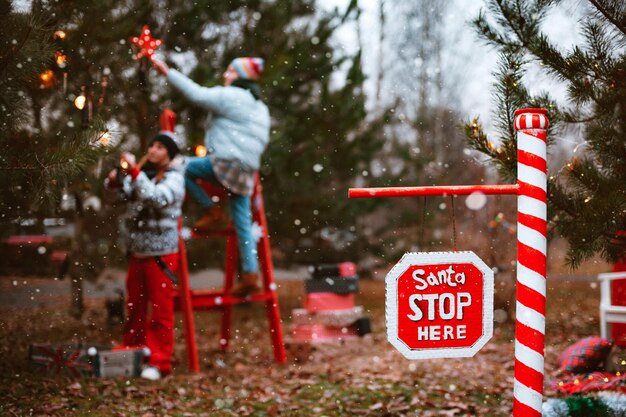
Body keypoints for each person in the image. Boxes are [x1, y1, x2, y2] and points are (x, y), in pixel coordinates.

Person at [151, 57, 270, 298]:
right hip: (246, 169)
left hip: (225, 161)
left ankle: (211, 211)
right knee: (243, 222)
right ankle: (250, 273)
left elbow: (197, 95)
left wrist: (168, 72)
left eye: (229, 71)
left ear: (239, 76)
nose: (226, 75)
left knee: (179, 167)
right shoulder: (260, 107)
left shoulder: (233, 95)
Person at [105, 131, 185, 380]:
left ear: (169, 154)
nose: (153, 150)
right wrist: (115, 180)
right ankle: (134, 349)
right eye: (151, 145)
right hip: (138, 251)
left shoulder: (175, 178)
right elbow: (118, 198)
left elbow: (157, 198)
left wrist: (136, 175)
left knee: (161, 309)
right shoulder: (144, 175)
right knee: (135, 305)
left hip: (161, 254)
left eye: (160, 147)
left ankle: (160, 361)